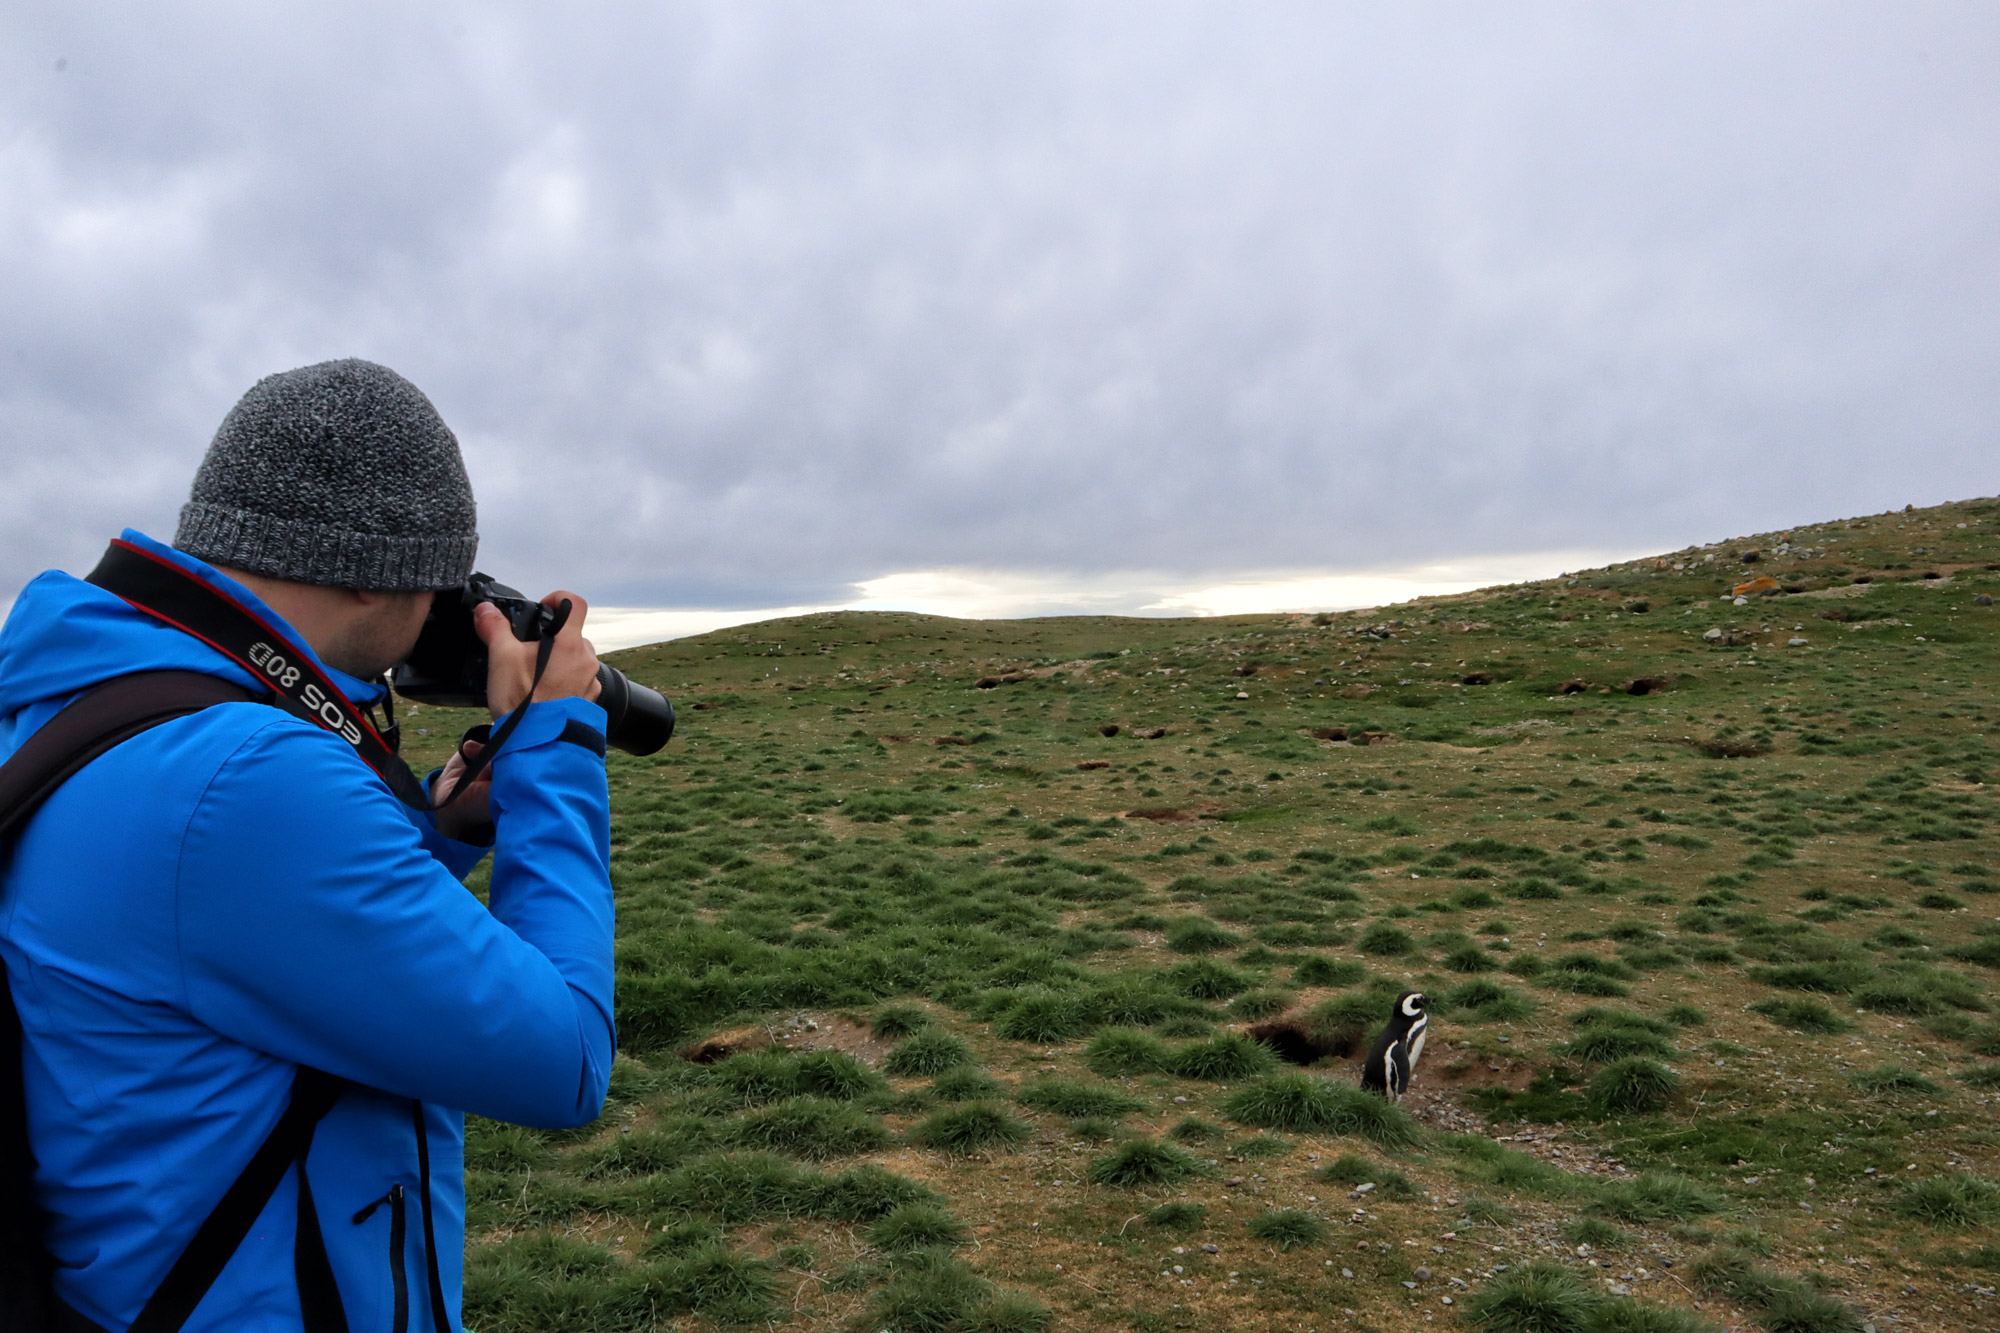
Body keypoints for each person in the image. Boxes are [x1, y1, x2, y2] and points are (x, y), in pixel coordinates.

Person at [0, 359, 615, 1332]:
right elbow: (566, 1058)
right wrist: (560, 755)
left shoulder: (91, 693)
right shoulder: (246, 776)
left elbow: (216, 933)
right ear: (388, 574)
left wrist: (442, 831)